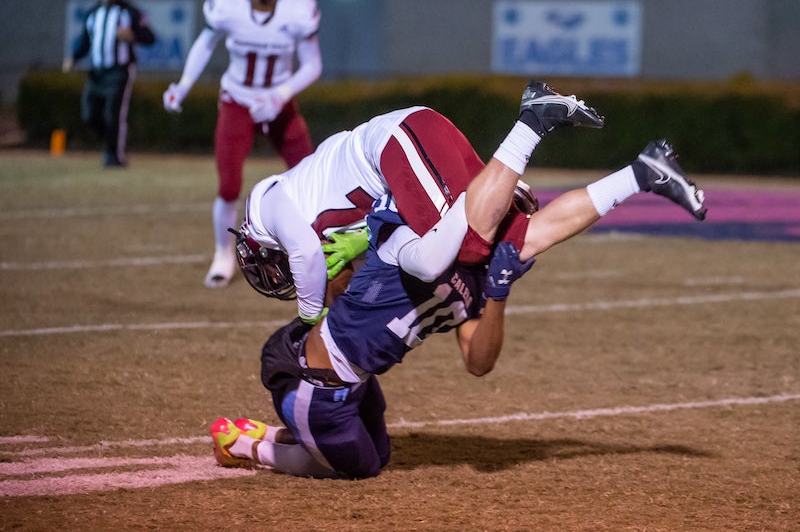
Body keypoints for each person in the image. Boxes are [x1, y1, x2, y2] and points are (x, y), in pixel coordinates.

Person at [210, 92, 707, 479]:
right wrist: (492, 191)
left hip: (358, 384)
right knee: (359, 469)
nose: (513, 220)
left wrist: (498, 294)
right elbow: (416, 264)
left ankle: (643, 173)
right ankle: (249, 445)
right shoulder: (399, 230)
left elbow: (479, 363)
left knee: (377, 454)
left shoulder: (476, 264)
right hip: (315, 383)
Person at [233, 79, 703, 325]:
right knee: (514, 242)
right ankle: (644, 173)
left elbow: (305, 254)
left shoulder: (266, 203)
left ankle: (530, 125)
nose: (276, 276)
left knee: (468, 250)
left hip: (396, 143)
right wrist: (359, 244)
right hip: (407, 149)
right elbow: (364, 217)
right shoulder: (304, 201)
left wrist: (306, 324)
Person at [163, 0, 322, 289]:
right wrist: (183, 85)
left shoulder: (298, 8)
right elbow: (205, 45)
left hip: (278, 103)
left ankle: (319, 248)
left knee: (312, 176)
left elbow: (313, 65)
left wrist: (280, 94)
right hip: (237, 99)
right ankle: (223, 254)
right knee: (229, 183)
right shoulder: (227, 4)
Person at [62, 0, 156, 167]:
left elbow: (150, 37)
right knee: (89, 115)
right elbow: (85, 42)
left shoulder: (130, 12)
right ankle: (110, 143)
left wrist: (133, 36)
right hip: (97, 71)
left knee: (113, 115)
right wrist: (73, 58)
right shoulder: (92, 13)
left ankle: (114, 157)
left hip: (119, 70)